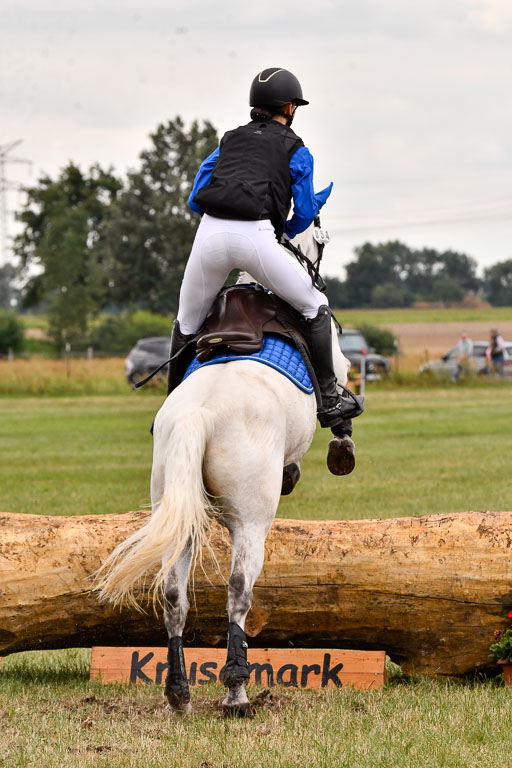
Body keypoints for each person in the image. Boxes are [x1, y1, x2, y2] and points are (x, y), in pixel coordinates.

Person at [170, 67, 361, 430]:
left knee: (187, 322)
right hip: (257, 237)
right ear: (290, 107)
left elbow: (197, 198)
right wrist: (288, 227)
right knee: (314, 305)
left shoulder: (227, 141)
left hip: (209, 236)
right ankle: (331, 403)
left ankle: (170, 408)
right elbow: (303, 213)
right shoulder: (297, 148)